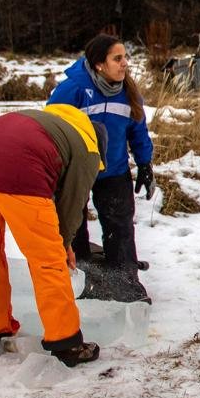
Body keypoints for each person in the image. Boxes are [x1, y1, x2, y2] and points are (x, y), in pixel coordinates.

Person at [0, 104, 105, 367]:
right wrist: (65, 243)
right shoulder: (87, 148)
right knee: (48, 258)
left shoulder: (48, 121)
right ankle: (66, 342)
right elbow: (72, 205)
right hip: (19, 170)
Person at [48, 34, 155, 304]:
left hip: (114, 170)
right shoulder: (72, 89)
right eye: (117, 58)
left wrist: (144, 163)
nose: (124, 64)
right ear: (99, 64)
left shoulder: (127, 92)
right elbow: (50, 129)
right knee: (74, 228)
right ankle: (85, 282)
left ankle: (125, 283)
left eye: (125, 58)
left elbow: (138, 130)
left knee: (119, 227)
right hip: (76, 172)